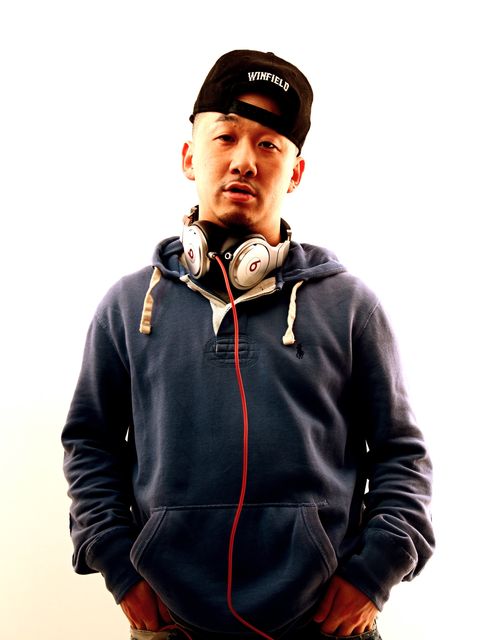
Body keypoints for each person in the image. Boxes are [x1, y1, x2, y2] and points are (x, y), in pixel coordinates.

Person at [62, 50, 435, 640]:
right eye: (225, 136)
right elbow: (90, 445)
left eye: (269, 145)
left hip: (325, 627)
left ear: (296, 172)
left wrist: (373, 575)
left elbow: (401, 455)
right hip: (172, 627)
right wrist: (119, 567)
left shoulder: (350, 306)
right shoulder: (128, 306)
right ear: (190, 156)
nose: (244, 161)